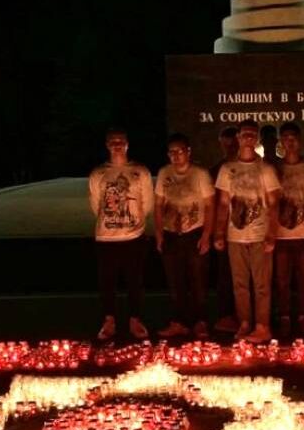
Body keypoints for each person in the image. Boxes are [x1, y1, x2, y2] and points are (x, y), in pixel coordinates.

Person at [213, 119, 281, 343]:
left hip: (260, 234)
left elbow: (273, 204)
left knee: (262, 284)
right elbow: (223, 204)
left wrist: (272, 234)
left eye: (253, 134)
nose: (248, 138)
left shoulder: (266, 169)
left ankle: (263, 325)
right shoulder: (227, 169)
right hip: (235, 235)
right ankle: (244, 322)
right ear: (239, 138)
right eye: (245, 134)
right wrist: (220, 233)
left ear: (257, 138)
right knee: (239, 283)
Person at [88, 127, 153, 342]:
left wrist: (131, 221)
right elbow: (96, 205)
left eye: (121, 141)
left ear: (127, 144)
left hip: (134, 236)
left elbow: (148, 204)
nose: (117, 144)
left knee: (135, 281)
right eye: (113, 141)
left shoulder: (140, 171)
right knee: (107, 282)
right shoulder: (98, 173)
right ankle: (109, 321)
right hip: (106, 238)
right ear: (107, 145)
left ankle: (135, 319)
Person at [154, 133, 215, 339]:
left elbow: (210, 205)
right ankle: (179, 321)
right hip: (171, 234)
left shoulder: (200, 174)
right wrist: (159, 233)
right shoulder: (165, 173)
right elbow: (158, 204)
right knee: (175, 281)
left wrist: (206, 235)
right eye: (172, 152)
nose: (176, 156)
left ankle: (200, 321)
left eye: (180, 151)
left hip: (194, 233)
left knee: (198, 281)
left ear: (188, 152)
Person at [273, 122, 304, 339]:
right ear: (280, 142)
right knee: (282, 279)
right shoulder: (275, 169)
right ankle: (284, 316)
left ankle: (303, 316)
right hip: (281, 235)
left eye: (293, 137)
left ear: (299, 141)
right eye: (285, 138)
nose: (290, 142)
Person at [210, 126, 240, 333]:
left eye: (233, 143)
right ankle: (226, 315)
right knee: (225, 275)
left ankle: (247, 315)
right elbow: (212, 204)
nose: (230, 147)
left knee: (249, 277)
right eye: (226, 143)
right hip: (224, 231)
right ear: (221, 143)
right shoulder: (215, 171)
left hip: (248, 230)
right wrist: (216, 232)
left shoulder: (253, 167)